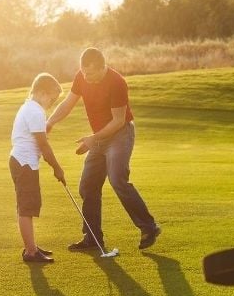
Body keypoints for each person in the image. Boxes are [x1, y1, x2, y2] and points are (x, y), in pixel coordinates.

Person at [47, 47, 160, 251]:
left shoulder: (117, 82)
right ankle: (92, 238)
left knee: (117, 179)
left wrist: (92, 139)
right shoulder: (81, 77)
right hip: (99, 137)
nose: (86, 77)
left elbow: (118, 121)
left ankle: (149, 227)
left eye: (90, 73)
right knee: (88, 186)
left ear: (102, 67)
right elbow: (68, 103)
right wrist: (50, 122)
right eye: (83, 72)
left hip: (120, 134)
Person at [10, 73, 66, 263]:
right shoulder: (35, 111)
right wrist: (57, 168)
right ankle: (31, 252)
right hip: (24, 162)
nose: (52, 102)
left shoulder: (29, 108)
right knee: (26, 208)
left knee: (28, 205)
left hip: (23, 161)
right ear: (42, 92)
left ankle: (31, 246)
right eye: (52, 97)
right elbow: (43, 144)